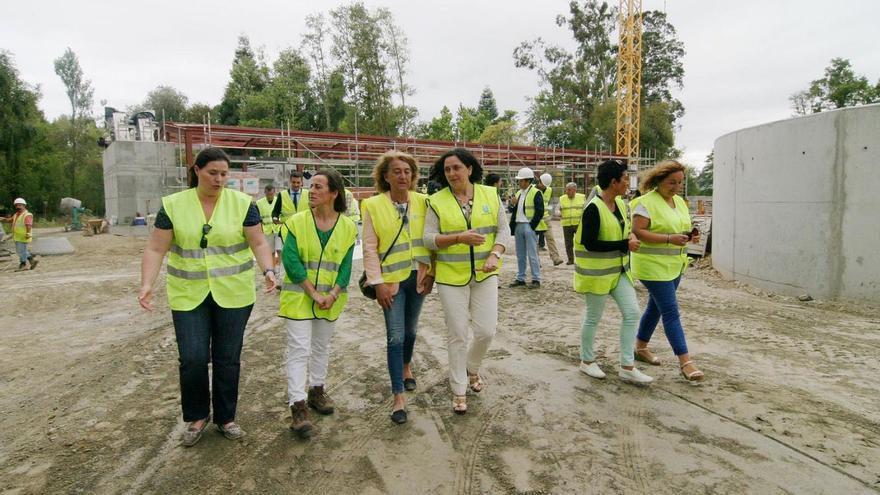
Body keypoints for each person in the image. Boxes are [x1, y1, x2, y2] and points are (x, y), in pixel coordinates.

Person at [138, 147, 277, 447]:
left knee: (228, 358)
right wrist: (147, 283)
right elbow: (155, 248)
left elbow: (258, 242)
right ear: (197, 170)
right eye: (213, 173)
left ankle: (226, 417)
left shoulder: (243, 204)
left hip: (234, 294)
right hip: (189, 295)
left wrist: (268, 270)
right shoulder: (173, 205)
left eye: (224, 174)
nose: (219, 179)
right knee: (193, 358)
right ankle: (197, 416)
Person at [425, 148, 510, 414]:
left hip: (485, 273)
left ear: (470, 169)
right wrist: (458, 238)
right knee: (458, 333)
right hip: (451, 278)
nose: (452, 173)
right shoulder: (436, 201)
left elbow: (503, 229)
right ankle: (459, 388)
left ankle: (471, 367)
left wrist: (496, 254)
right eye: (447, 169)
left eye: (457, 168)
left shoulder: (490, 194)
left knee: (486, 331)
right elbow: (427, 239)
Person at [279, 169, 357, 438]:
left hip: (331, 299)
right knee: (299, 349)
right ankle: (298, 407)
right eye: (311, 186)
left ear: (334, 193)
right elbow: (290, 261)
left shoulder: (347, 226)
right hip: (300, 297)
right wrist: (314, 293)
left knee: (321, 346)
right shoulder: (297, 222)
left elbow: (346, 266)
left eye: (319, 187)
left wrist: (333, 293)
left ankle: (317, 391)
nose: (311, 191)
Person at [362, 151, 433, 424]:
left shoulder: (424, 202)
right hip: (390, 281)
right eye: (397, 171)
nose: (403, 176)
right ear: (385, 176)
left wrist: (432, 274)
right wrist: (376, 283)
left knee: (411, 331)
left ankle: (406, 366)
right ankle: (398, 397)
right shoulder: (372, 205)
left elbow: (429, 241)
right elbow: (369, 248)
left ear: (413, 176)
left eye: (407, 171)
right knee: (395, 336)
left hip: (418, 277)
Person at [575, 160, 653, 385]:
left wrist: (629, 237)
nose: (628, 182)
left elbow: (624, 230)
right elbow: (590, 244)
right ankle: (587, 361)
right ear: (613, 182)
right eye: (625, 178)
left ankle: (627, 366)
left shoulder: (620, 204)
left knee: (632, 313)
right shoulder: (593, 208)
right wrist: (623, 244)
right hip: (596, 274)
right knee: (593, 318)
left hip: (619, 272)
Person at [630, 160, 704, 382]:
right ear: (658, 180)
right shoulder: (644, 203)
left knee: (656, 308)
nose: (676, 186)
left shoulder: (680, 202)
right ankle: (686, 362)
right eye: (671, 182)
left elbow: (678, 226)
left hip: (675, 265)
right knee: (671, 311)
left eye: (680, 182)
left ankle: (640, 347)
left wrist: (690, 236)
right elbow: (638, 231)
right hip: (651, 266)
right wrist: (670, 239)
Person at [508, 167, 543, 288]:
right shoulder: (518, 193)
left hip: (528, 226)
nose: (519, 183)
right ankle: (521, 278)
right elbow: (513, 210)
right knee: (520, 254)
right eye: (519, 181)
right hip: (518, 226)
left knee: (532, 254)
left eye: (521, 180)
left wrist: (532, 226)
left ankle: (536, 279)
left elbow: (540, 211)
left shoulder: (535, 192)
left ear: (528, 181)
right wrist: (512, 204)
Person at [2, 198, 38, 271]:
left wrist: (28, 233)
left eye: (20, 205)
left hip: (24, 235)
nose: (18, 207)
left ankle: (23, 264)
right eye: (17, 205)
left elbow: (28, 225)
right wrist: (3, 219)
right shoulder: (16, 214)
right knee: (22, 250)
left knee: (20, 251)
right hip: (18, 236)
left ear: (24, 205)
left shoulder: (27, 215)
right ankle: (32, 261)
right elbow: (11, 220)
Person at [535, 173, 563, 266]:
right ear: (539, 181)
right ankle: (536, 261)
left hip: (545, 218)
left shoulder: (549, 189)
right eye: (541, 184)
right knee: (534, 241)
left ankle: (555, 257)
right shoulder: (532, 190)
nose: (542, 187)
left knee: (550, 238)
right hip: (535, 219)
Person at [255, 185, 281, 275]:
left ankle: (278, 266)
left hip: (278, 229)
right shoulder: (259, 203)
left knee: (279, 249)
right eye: (268, 194)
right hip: (267, 230)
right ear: (265, 193)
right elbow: (257, 218)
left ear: (274, 192)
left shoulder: (279, 200)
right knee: (271, 251)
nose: (270, 196)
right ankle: (273, 267)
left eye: (271, 194)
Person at [559, 182, 586, 265]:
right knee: (568, 244)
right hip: (566, 224)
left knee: (581, 243)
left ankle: (582, 259)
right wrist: (558, 213)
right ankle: (570, 260)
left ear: (574, 190)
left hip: (578, 224)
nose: (567, 191)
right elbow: (557, 209)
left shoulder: (582, 197)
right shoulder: (562, 198)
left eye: (569, 190)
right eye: (566, 190)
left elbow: (586, 209)